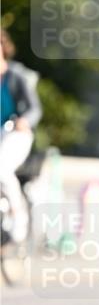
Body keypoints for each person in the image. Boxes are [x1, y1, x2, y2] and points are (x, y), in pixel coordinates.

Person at [0, 30, 42, 243]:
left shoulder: (15, 75)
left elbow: (35, 108)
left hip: (16, 134)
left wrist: (24, 121)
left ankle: (18, 216)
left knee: (1, 169)